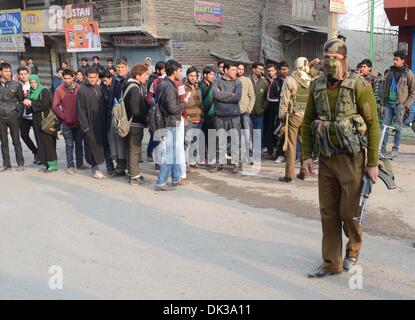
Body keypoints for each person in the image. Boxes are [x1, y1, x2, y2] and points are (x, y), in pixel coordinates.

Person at [302, 38, 380, 278]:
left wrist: (372, 162)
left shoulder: (359, 85)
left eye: (333, 58)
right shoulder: (317, 86)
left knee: (349, 213)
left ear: (344, 58)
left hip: (352, 158)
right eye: (325, 58)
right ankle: (331, 263)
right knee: (328, 212)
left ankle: (353, 248)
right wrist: (306, 156)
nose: (328, 62)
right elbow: (307, 121)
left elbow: (372, 124)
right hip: (326, 158)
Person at [278, 57, 319, 183]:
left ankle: (289, 175)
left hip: (294, 115)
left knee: (291, 144)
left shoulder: (291, 79)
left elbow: (284, 99)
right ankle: (303, 172)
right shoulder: (312, 79)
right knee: (305, 144)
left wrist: (282, 116)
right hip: (308, 116)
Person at [155, 60, 188, 191]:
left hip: (168, 121)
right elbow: (173, 108)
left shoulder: (165, 84)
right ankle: (161, 182)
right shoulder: (168, 87)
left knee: (173, 151)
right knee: (170, 153)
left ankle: (176, 178)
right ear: (174, 72)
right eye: (180, 71)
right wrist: (184, 103)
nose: (181, 73)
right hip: (170, 122)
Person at [209, 61, 243, 174]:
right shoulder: (216, 81)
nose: (236, 72)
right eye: (233, 70)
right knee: (220, 141)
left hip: (234, 116)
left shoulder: (238, 83)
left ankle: (236, 163)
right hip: (220, 116)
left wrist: (222, 95)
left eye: (236, 70)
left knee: (235, 141)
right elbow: (215, 94)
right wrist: (230, 95)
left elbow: (237, 97)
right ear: (226, 70)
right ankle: (219, 164)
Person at [380, 50, 415, 158]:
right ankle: (382, 149)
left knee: (399, 127)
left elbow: (413, 91)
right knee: (385, 126)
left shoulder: (408, 73)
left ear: (402, 60)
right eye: (394, 59)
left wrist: (405, 105)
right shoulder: (390, 72)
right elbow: (385, 88)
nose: (395, 61)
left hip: (400, 105)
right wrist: (382, 104)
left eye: (397, 59)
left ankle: (395, 149)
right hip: (388, 104)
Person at [53, 69, 86, 175]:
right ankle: (70, 165)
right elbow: (55, 106)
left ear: (73, 77)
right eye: (65, 78)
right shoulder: (59, 90)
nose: (67, 80)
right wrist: (64, 117)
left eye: (69, 78)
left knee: (79, 144)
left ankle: (80, 163)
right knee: (69, 144)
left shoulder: (79, 88)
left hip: (79, 122)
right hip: (67, 123)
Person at [23, 75, 57, 173]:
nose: (33, 84)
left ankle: (53, 165)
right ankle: (46, 164)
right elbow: (30, 108)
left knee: (48, 142)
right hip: (36, 120)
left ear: (38, 81)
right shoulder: (31, 92)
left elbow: (46, 104)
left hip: (45, 119)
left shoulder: (43, 90)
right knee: (40, 142)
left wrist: (31, 104)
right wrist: (26, 104)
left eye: (35, 82)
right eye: (31, 82)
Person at [77, 67, 107, 179]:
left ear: (97, 77)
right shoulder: (82, 90)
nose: (92, 79)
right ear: (86, 77)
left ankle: (106, 166)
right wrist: (85, 127)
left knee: (100, 145)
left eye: (94, 77)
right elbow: (81, 110)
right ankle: (95, 168)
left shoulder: (99, 89)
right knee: (91, 146)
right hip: (89, 124)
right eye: (90, 77)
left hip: (99, 123)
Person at [122, 64, 149, 185]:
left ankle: (131, 171)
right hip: (135, 124)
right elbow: (135, 110)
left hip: (129, 123)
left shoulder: (129, 85)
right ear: (137, 76)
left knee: (131, 149)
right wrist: (145, 118)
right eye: (144, 75)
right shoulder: (134, 88)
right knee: (135, 150)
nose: (146, 77)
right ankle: (134, 177)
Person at [0, 63, 25, 172]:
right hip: (1, 117)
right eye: (6, 71)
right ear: (0, 72)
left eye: (9, 71)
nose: (8, 73)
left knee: (16, 141)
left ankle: (20, 163)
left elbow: (21, 100)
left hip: (13, 116)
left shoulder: (16, 85)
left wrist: (18, 114)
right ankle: (6, 164)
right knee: (4, 142)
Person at [109, 57, 129, 177]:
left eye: (122, 67)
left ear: (126, 68)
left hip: (125, 116)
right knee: (117, 142)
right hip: (115, 113)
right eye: (118, 67)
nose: (120, 69)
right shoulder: (115, 80)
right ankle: (120, 167)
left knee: (125, 143)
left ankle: (129, 168)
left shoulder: (129, 80)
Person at [183, 66, 204, 169]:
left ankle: (192, 161)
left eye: (194, 76)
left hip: (198, 119)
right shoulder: (183, 88)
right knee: (187, 142)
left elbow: (201, 104)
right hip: (188, 120)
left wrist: (202, 116)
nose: (193, 78)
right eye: (190, 75)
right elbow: (181, 104)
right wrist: (185, 118)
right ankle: (185, 164)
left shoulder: (198, 89)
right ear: (187, 76)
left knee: (195, 142)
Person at [18, 66, 38, 163]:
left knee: (38, 136)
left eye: (25, 74)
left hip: (35, 115)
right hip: (24, 116)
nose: (23, 76)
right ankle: (35, 151)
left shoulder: (34, 84)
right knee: (24, 135)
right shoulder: (17, 86)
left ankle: (42, 156)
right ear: (18, 75)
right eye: (21, 74)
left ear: (28, 74)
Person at [236, 63, 255, 164]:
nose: (240, 71)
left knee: (248, 135)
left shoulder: (247, 81)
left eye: (242, 69)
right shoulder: (232, 80)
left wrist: (249, 109)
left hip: (245, 112)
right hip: (234, 113)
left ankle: (250, 156)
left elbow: (252, 96)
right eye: (238, 69)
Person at [250, 62, 269, 151]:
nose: (262, 71)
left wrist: (262, 109)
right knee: (247, 133)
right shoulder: (247, 80)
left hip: (259, 113)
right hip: (248, 113)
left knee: (258, 134)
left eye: (262, 69)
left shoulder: (264, 83)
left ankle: (256, 154)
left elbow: (267, 98)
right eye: (260, 69)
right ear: (254, 69)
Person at [199, 65, 216, 164]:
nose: (213, 76)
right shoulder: (201, 86)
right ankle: (204, 157)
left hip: (213, 115)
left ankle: (209, 157)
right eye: (211, 74)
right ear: (205, 75)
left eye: (214, 74)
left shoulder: (212, 85)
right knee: (204, 137)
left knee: (211, 137)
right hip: (204, 115)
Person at [274, 61, 290, 164]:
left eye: (286, 69)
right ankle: (279, 154)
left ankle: (288, 155)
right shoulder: (276, 82)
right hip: (279, 112)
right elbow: (271, 97)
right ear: (280, 70)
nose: (285, 71)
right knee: (280, 134)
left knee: (289, 134)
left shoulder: (291, 80)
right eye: (283, 69)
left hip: (290, 112)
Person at [100, 70, 115, 175]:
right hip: (105, 121)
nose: (104, 82)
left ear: (110, 79)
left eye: (105, 80)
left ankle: (119, 165)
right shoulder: (101, 90)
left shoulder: (115, 88)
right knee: (106, 145)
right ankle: (109, 166)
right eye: (102, 80)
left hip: (114, 120)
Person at [264, 63, 279, 157]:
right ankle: (269, 149)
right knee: (269, 128)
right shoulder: (265, 80)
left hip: (278, 108)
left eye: (272, 70)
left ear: (276, 71)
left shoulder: (279, 80)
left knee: (277, 128)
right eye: (268, 71)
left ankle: (277, 150)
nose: (270, 72)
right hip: (268, 108)